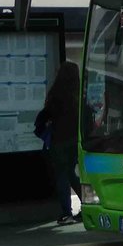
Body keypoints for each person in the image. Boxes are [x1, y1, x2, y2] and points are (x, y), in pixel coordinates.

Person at [40, 60, 82, 225]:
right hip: (74, 141)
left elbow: (46, 115)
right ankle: (85, 205)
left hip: (58, 141)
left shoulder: (55, 94)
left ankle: (67, 212)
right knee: (72, 174)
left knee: (62, 175)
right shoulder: (78, 95)